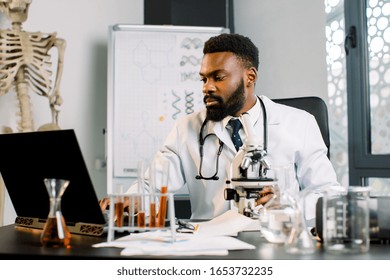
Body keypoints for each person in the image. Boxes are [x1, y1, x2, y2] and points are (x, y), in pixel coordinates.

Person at [102, 33, 339, 221]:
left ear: (250, 76)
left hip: (276, 243)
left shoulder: (300, 123)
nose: (207, 87)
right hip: (209, 248)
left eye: (218, 77)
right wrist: (129, 200)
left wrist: (288, 201)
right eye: (204, 78)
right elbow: (150, 185)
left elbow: (329, 194)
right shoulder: (186, 129)